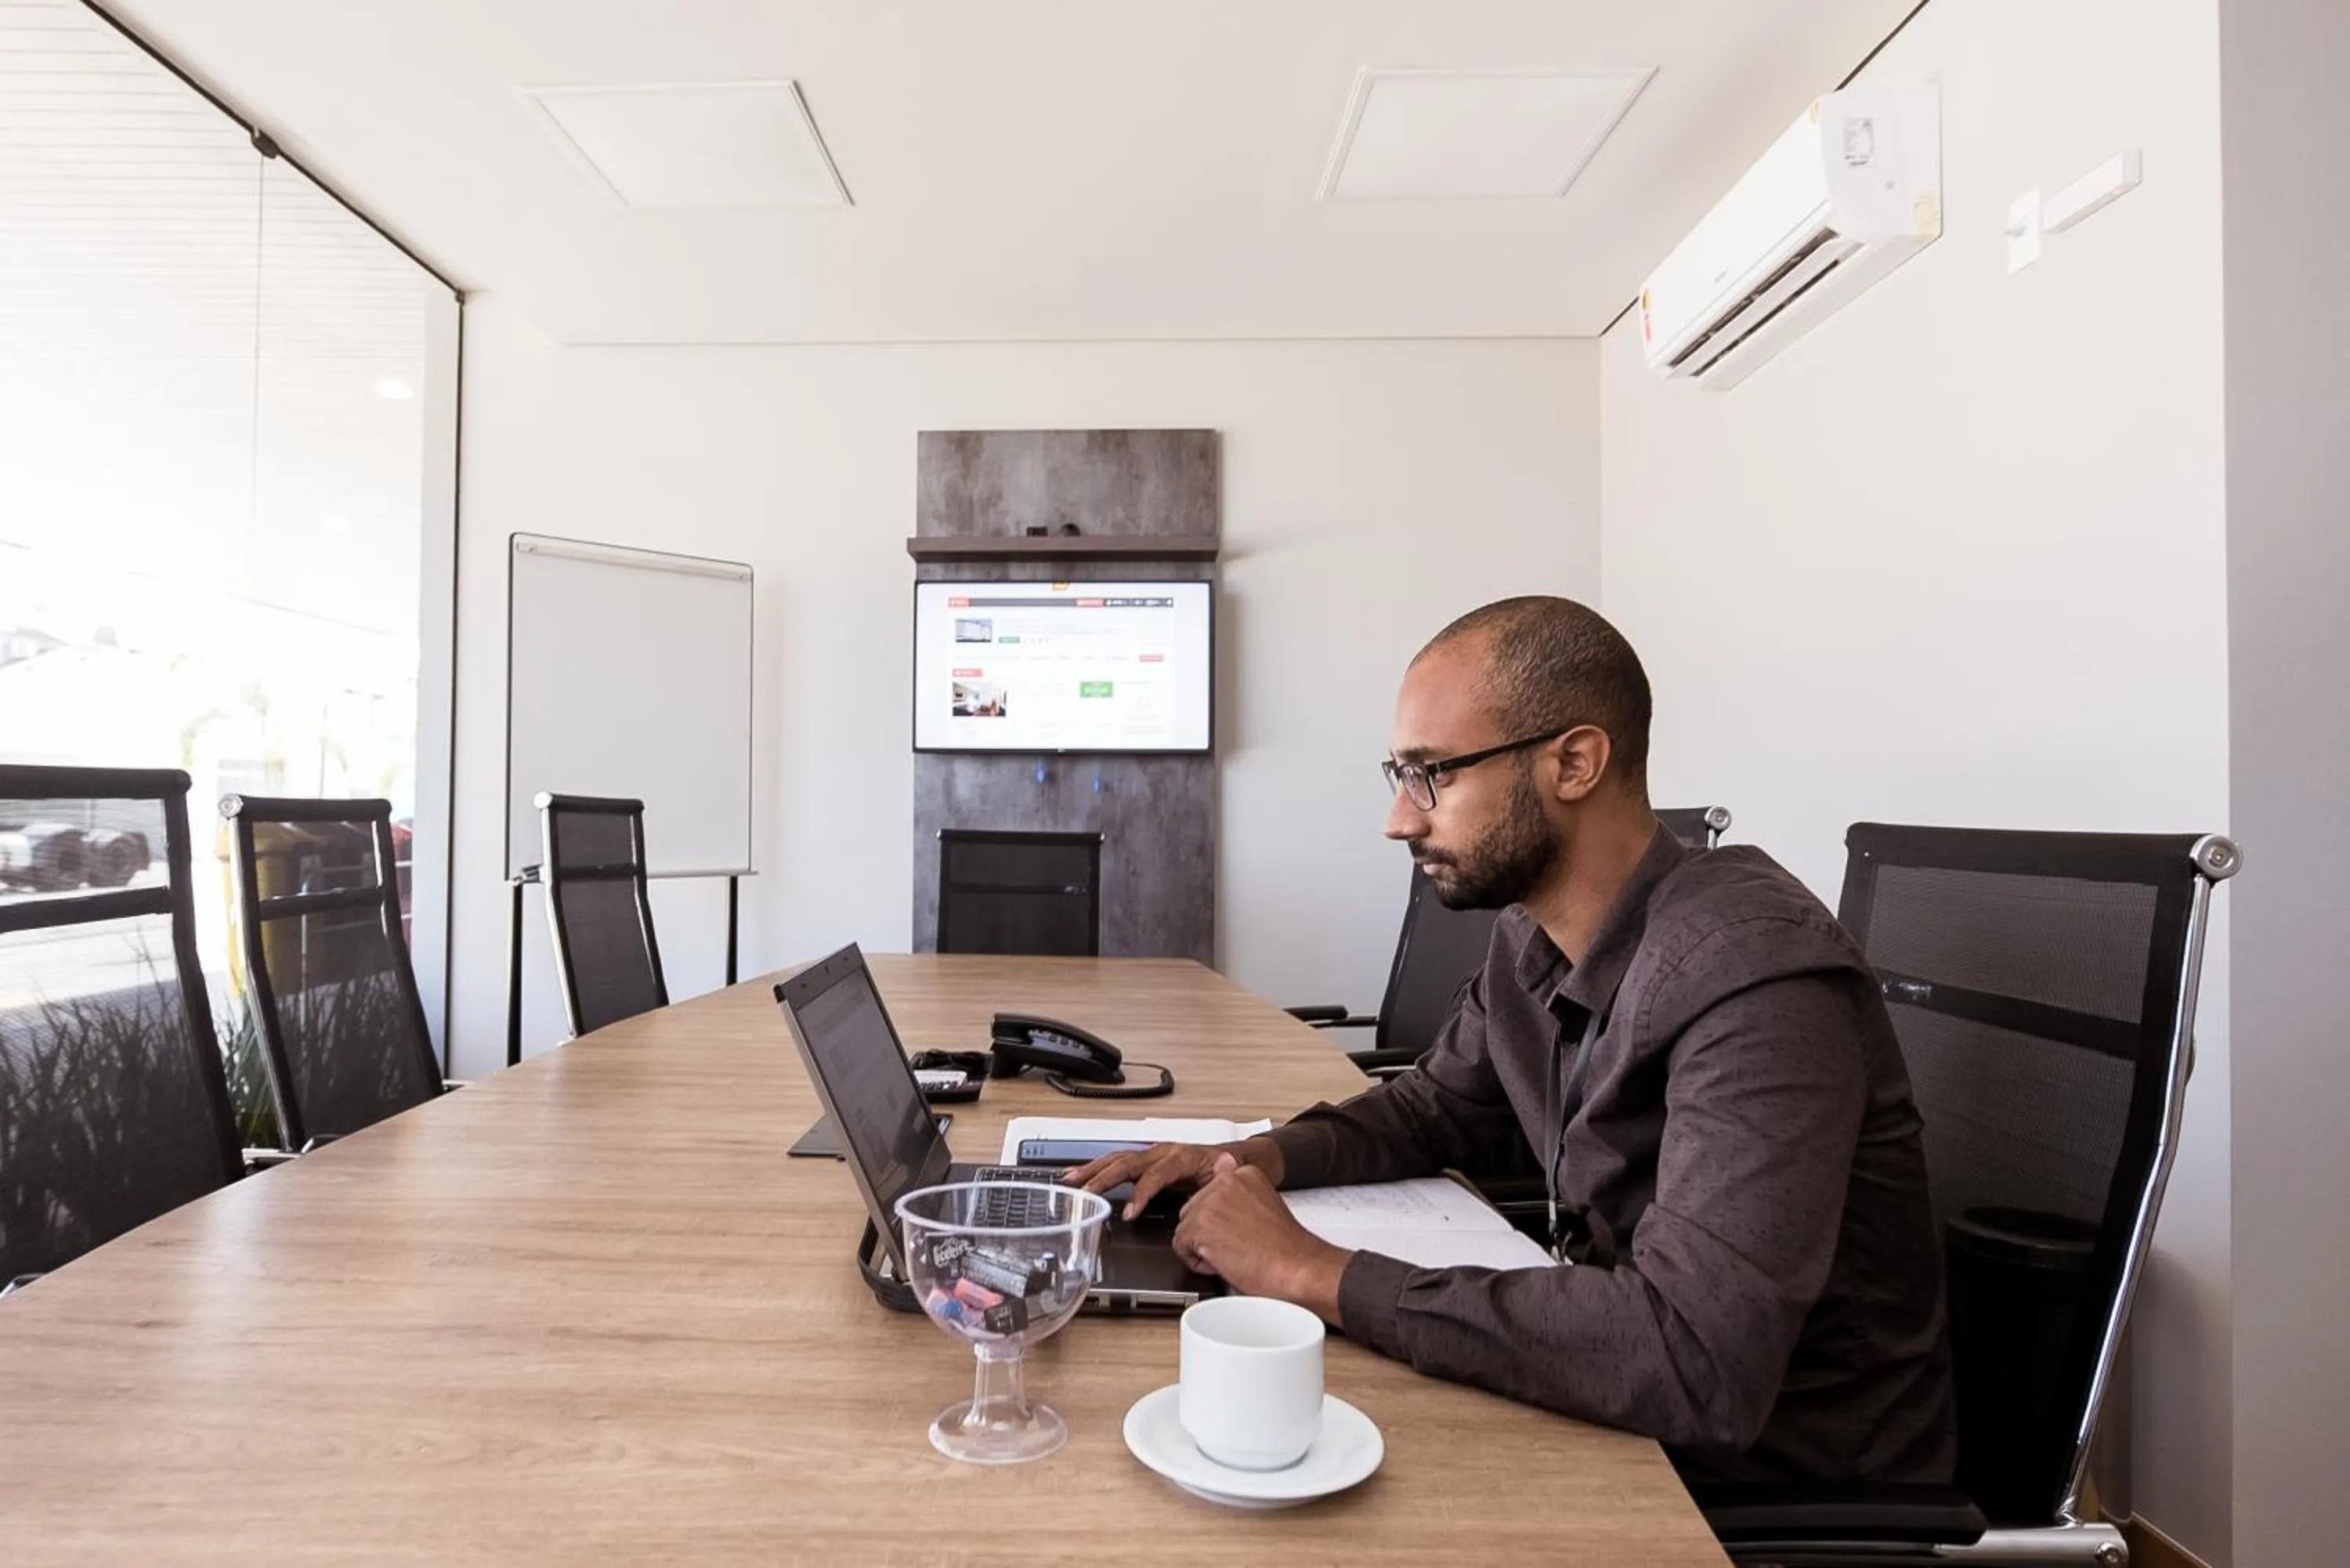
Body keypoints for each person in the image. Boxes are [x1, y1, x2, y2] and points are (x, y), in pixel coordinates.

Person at [1067, 596, 1956, 1484]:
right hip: (1628, 1421)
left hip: (1776, 1490)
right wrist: (1243, 1160)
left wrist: (1308, 1269)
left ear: (1574, 762)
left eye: (1434, 775)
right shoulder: (1534, 941)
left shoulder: (1756, 978)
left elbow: (1696, 1360)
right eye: (1399, 775)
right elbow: (1431, 1111)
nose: (1400, 820)